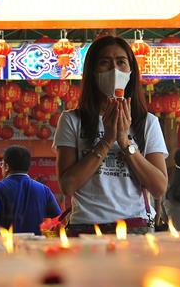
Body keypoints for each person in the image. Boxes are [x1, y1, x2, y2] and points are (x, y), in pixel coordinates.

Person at [53, 35, 168, 236]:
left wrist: (124, 141)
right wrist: (106, 140)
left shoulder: (147, 122)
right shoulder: (72, 120)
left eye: (121, 62)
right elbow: (67, 186)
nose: (114, 69)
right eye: (104, 62)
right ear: (92, 72)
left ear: (131, 71)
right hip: (85, 228)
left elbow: (159, 187)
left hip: (134, 228)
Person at [0, 146, 62, 236]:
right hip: (34, 245)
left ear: (6, 166)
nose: (1, 167)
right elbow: (57, 219)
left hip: (7, 246)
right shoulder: (44, 190)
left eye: (2, 164)